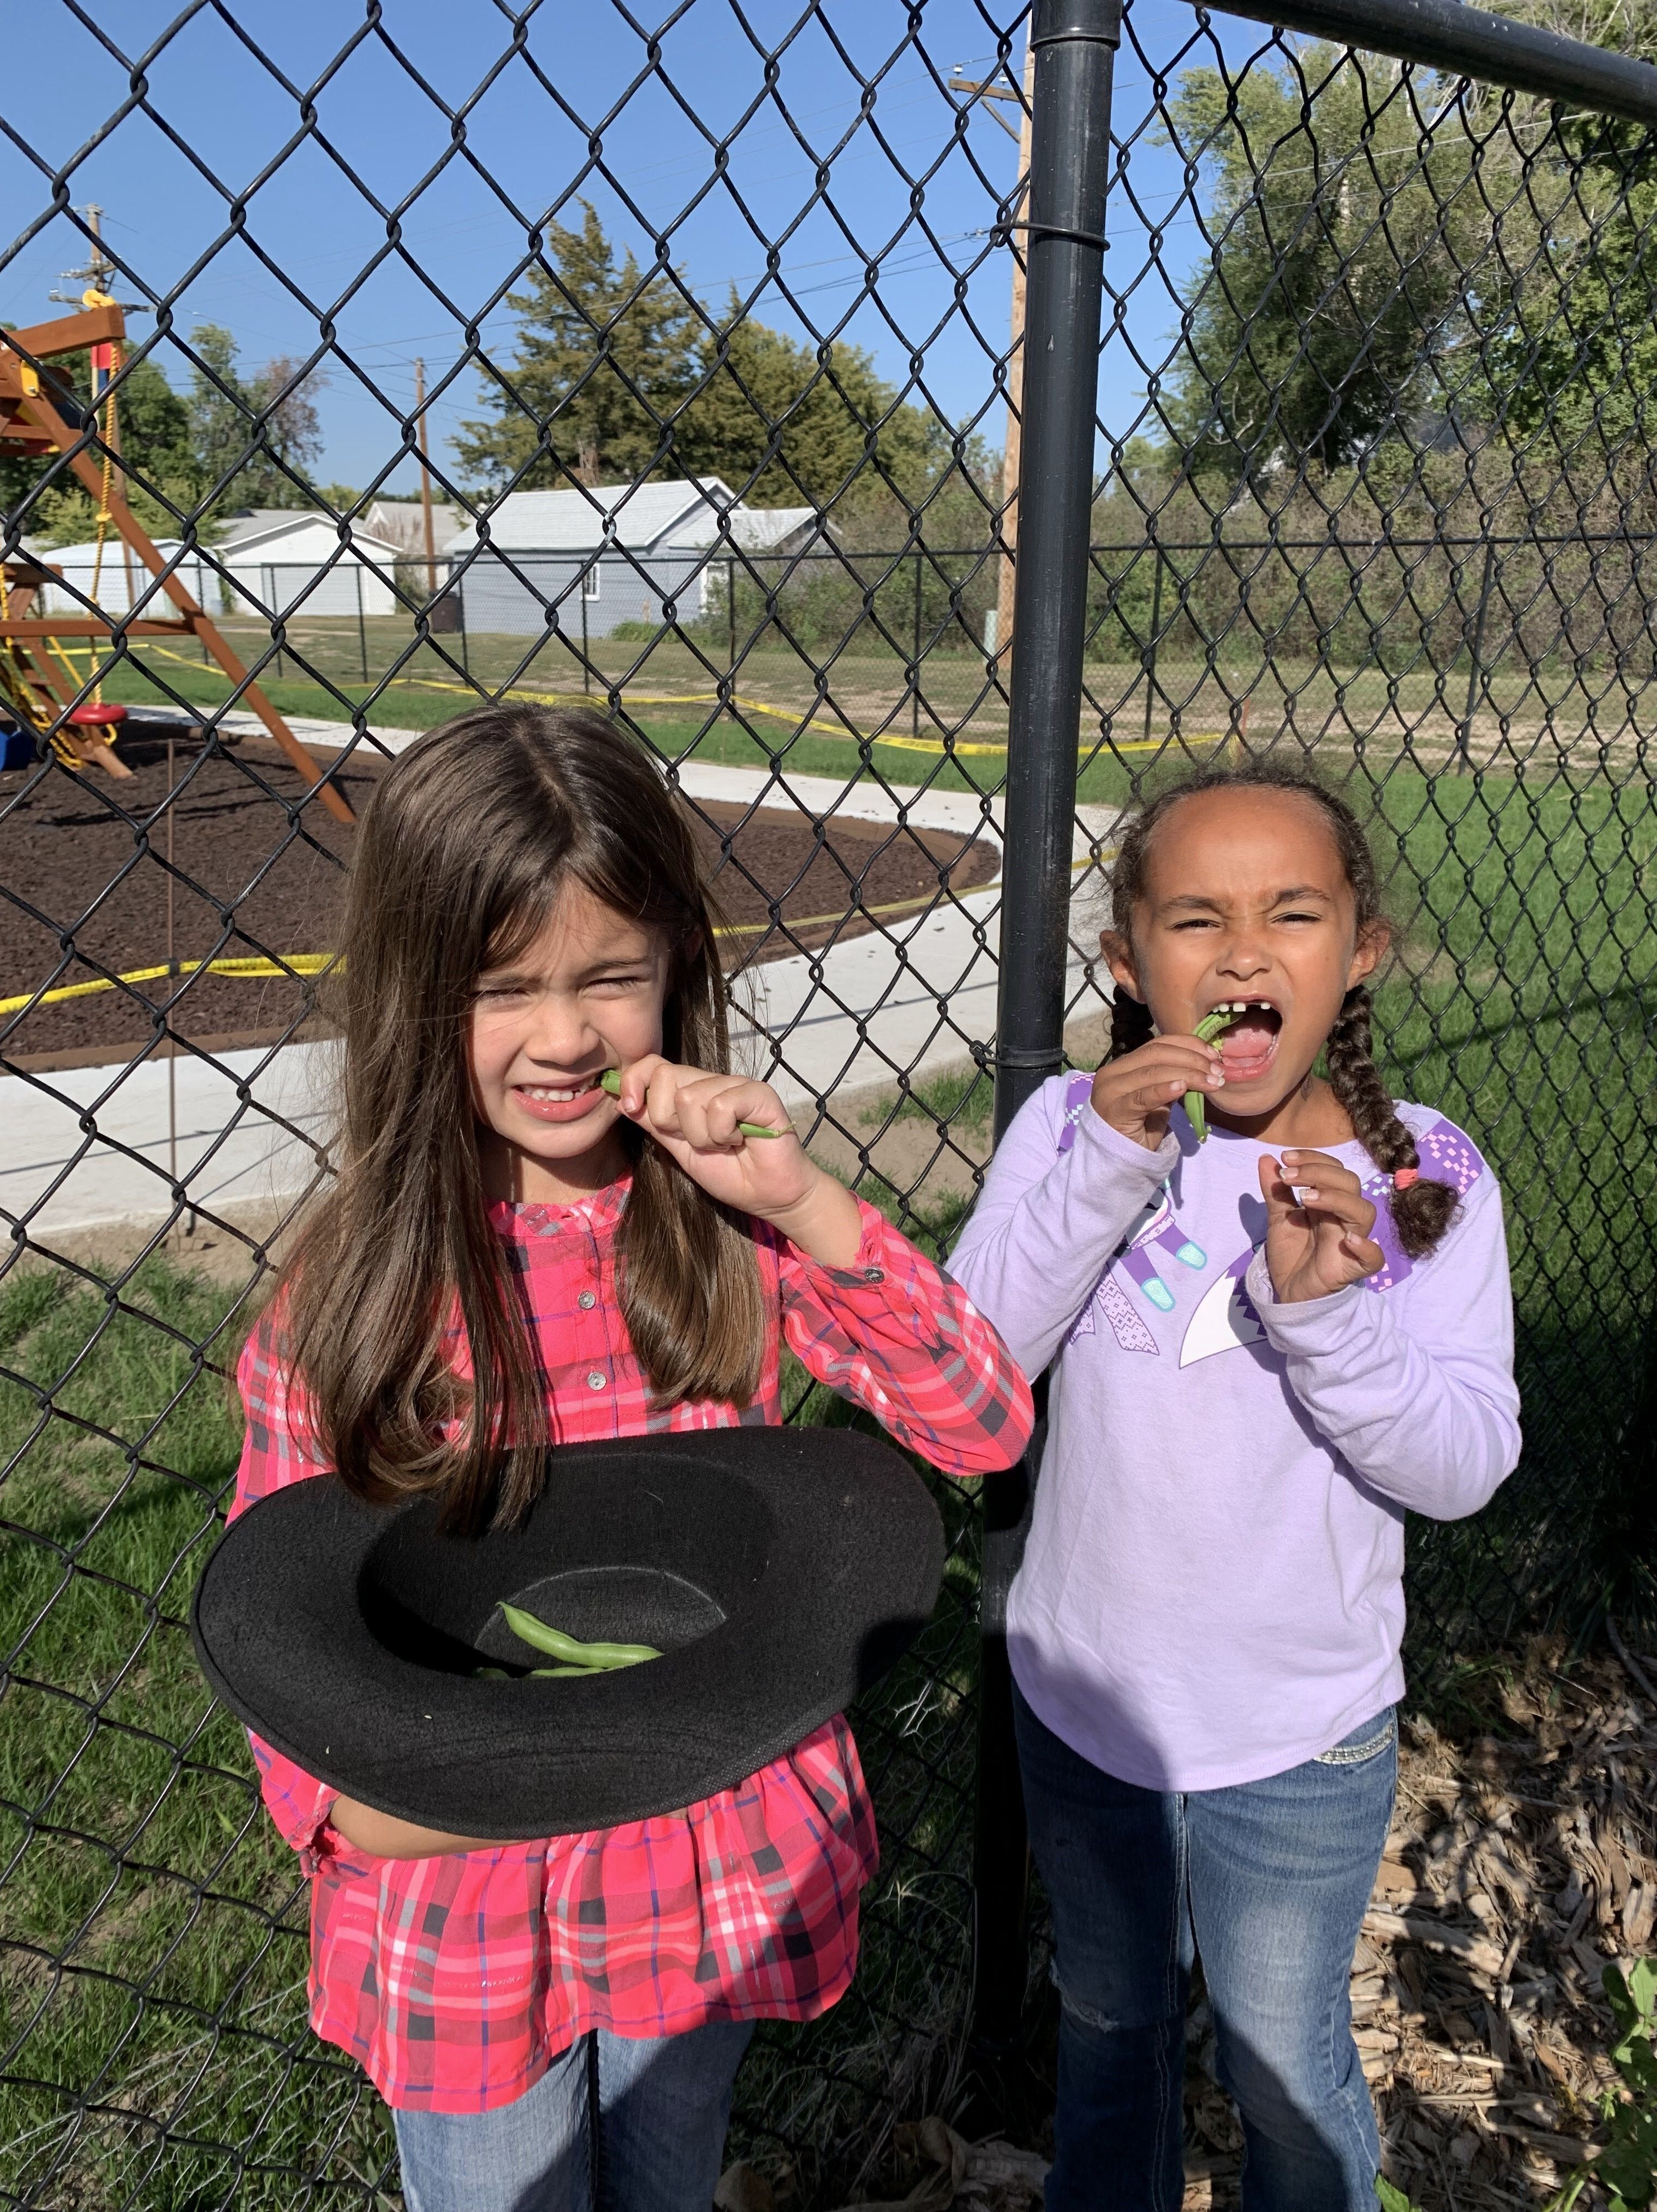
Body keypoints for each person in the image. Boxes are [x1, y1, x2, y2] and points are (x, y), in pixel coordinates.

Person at [228, 704, 1033, 2212]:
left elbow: (981, 1425)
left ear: (679, 965)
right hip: (466, 1905)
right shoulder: (353, 1308)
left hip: (693, 1880)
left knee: (668, 2180)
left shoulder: (722, 1230)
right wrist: (421, 1798)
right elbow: (293, 1673)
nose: (563, 1035)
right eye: (501, 988)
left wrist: (805, 1207)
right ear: (414, 999)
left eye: (609, 976)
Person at [949, 764, 1520, 2212]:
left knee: (1282, 2054)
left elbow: (1460, 1469)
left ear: (1362, 952)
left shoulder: (1427, 1180)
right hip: (1089, 1714)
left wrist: (1331, 1318)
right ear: (1131, 964)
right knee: (1112, 2038)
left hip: (1304, 1735)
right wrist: (1103, 1169)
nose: (1247, 955)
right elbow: (968, 1380)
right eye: (1198, 919)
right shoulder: (1075, 1133)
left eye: (1296, 915)